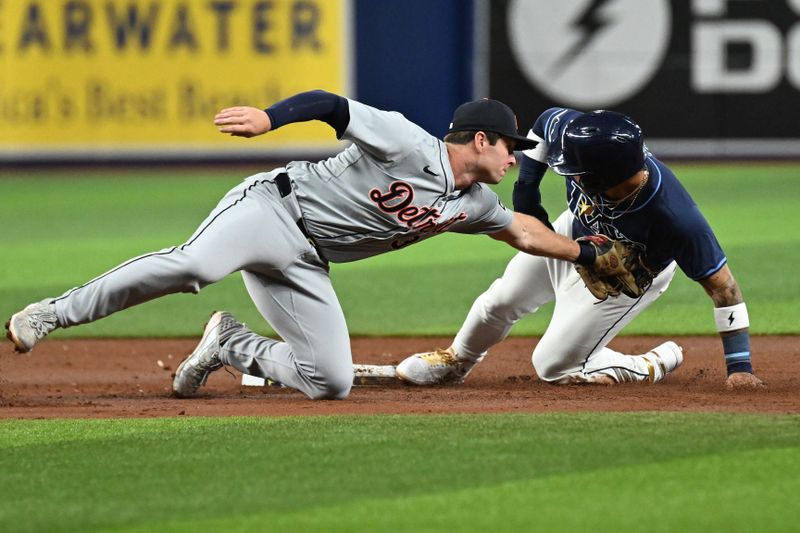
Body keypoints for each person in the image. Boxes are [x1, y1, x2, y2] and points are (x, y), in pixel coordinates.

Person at [4, 92, 625, 400]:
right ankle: (49, 313)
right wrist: (271, 120)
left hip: (305, 262)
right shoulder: (410, 142)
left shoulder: (477, 205)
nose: (516, 157)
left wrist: (589, 255)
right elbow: (331, 106)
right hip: (272, 209)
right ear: (482, 139)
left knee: (329, 382)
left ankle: (230, 344)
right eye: (510, 146)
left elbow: (523, 232)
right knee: (195, 265)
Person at [396, 108, 765, 389]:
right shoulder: (581, 137)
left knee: (553, 366)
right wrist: (527, 191)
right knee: (500, 299)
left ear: (604, 176)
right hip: (572, 233)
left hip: (627, 276)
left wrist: (740, 369)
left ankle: (651, 364)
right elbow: (546, 122)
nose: (568, 174)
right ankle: (456, 361)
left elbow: (724, 287)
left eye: (575, 172)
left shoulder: (676, 219)